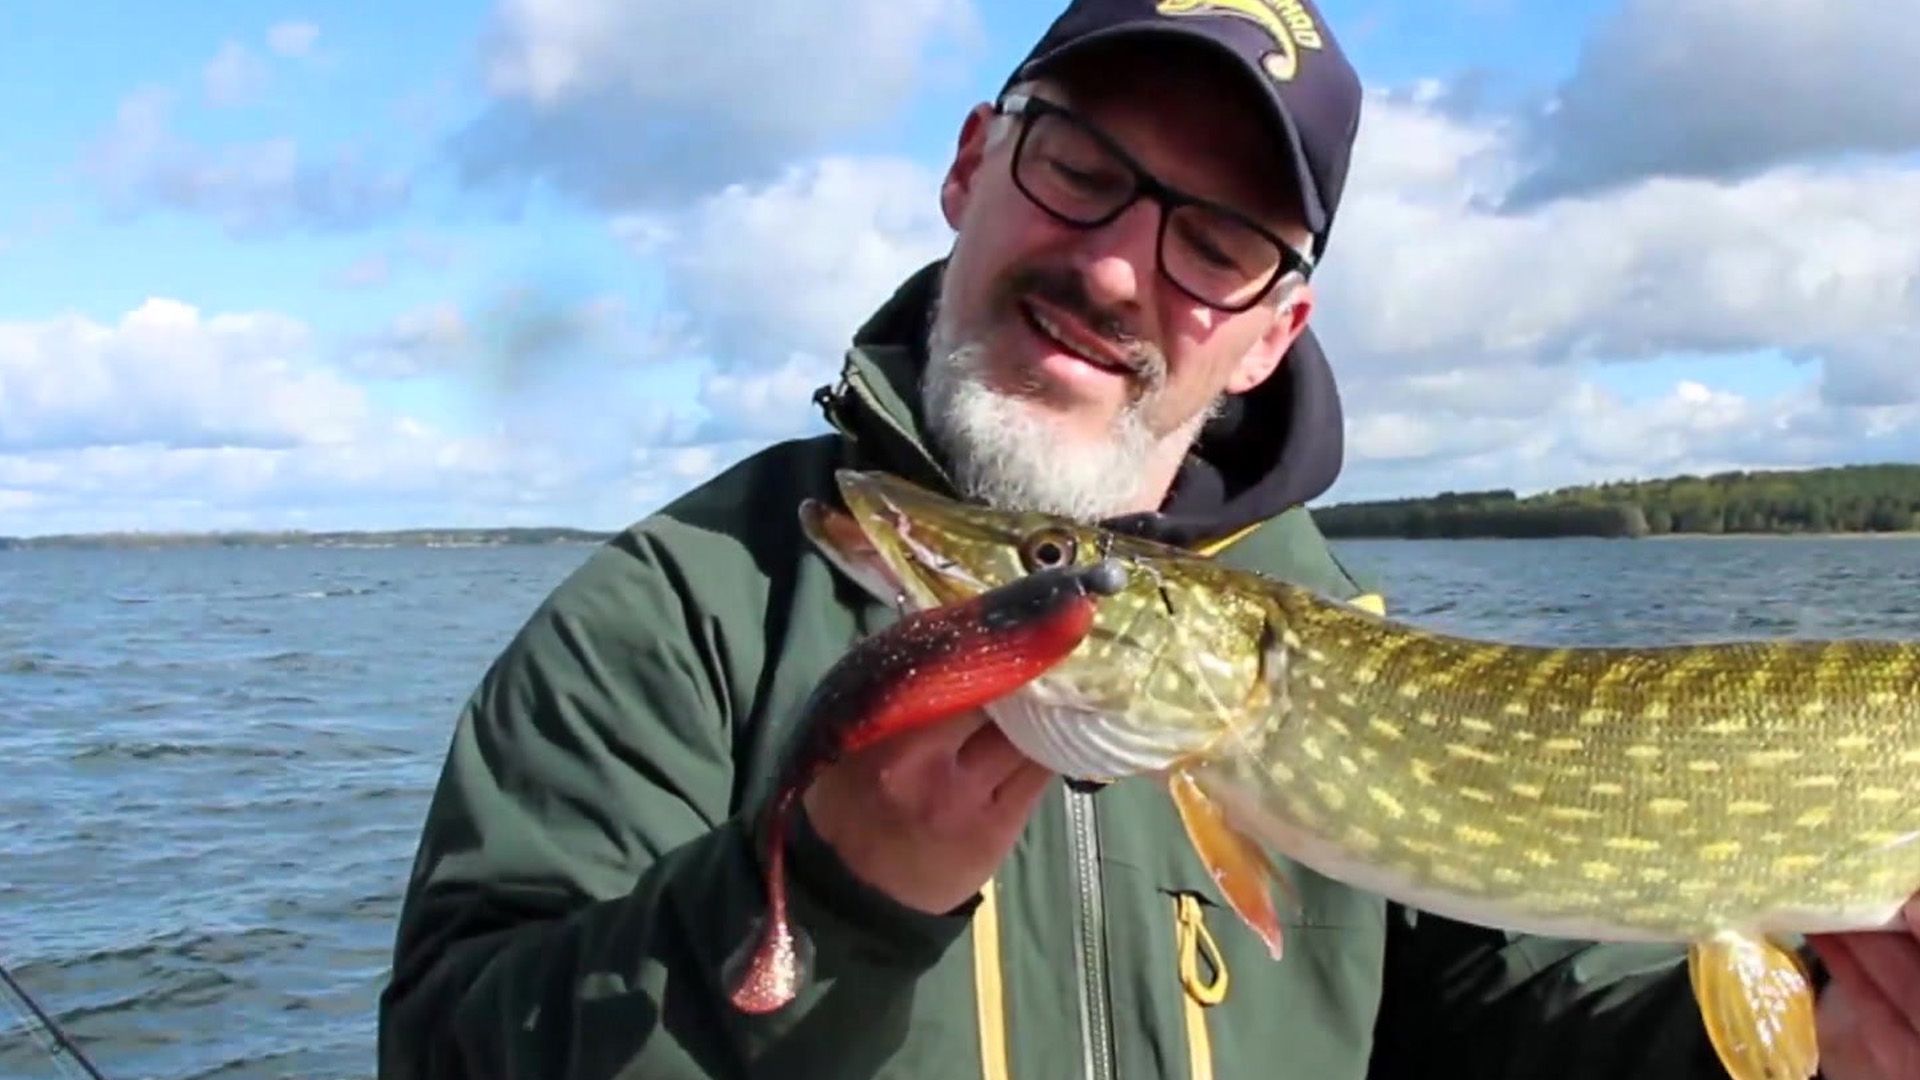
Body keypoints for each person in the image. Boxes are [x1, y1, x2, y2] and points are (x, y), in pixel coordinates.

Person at [377, 1, 1920, 1077]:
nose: (1120, 268)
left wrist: (1835, 1054)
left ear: (1273, 333)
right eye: (1083, 168)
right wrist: (833, 894)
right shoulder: (673, 622)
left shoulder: (1347, 632)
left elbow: (1525, 1030)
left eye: (1220, 241)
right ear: (974, 162)